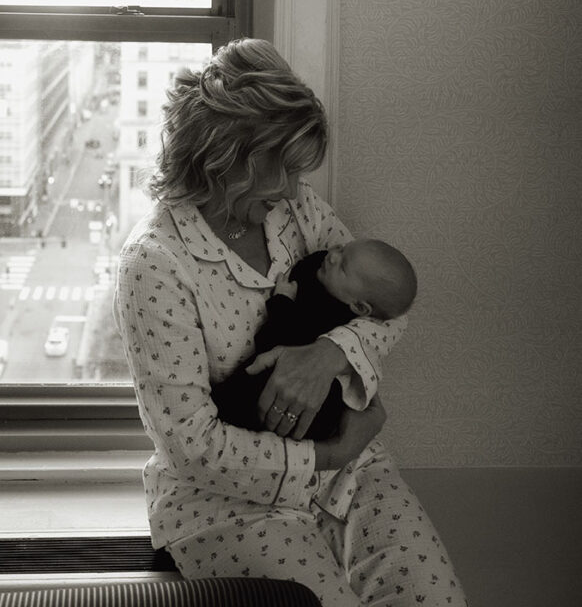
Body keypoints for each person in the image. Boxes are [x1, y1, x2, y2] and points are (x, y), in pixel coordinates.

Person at [113, 38, 467, 606]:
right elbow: (190, 446)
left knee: (434, 598)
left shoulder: (298, 215)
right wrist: (327, 455)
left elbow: (390, 306)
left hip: (350, 470)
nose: (295, 189)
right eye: (283, 170)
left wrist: (331, 353)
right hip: (227, 499)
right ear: (226, 156)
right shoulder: (155, 265)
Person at [211, 239, 417, 440]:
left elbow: (278, 342)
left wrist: (281, 302)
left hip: (282, 410)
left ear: (359, 308)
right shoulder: (331, 275)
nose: (333, 256)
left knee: (237, 400)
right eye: (342, 249)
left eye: (343, 267)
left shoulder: (329, 315)